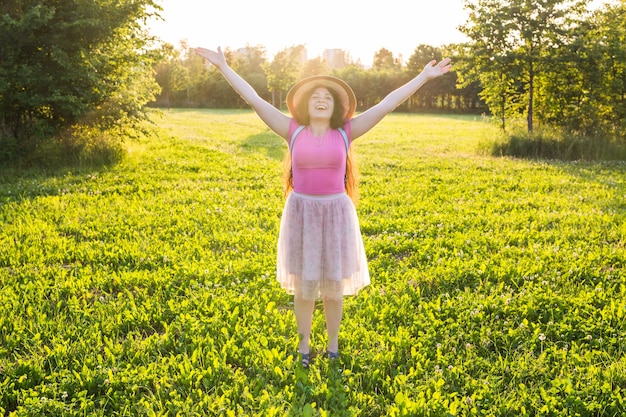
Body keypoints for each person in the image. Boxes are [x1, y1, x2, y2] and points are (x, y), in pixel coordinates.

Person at [195, 46, 451, 368]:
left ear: (334, 107)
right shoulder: (292, 130)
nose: (320, 99)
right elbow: (255, 99)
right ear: (305, 103)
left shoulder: (346, 132)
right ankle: (304, 348)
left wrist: (423, 77)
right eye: (315, 95)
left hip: (336, 213)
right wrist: (223, 67)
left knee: (332, 288)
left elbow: (387, 104)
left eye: (327, 97)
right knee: (303, 288)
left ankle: (332, 345)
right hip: (301, 214)